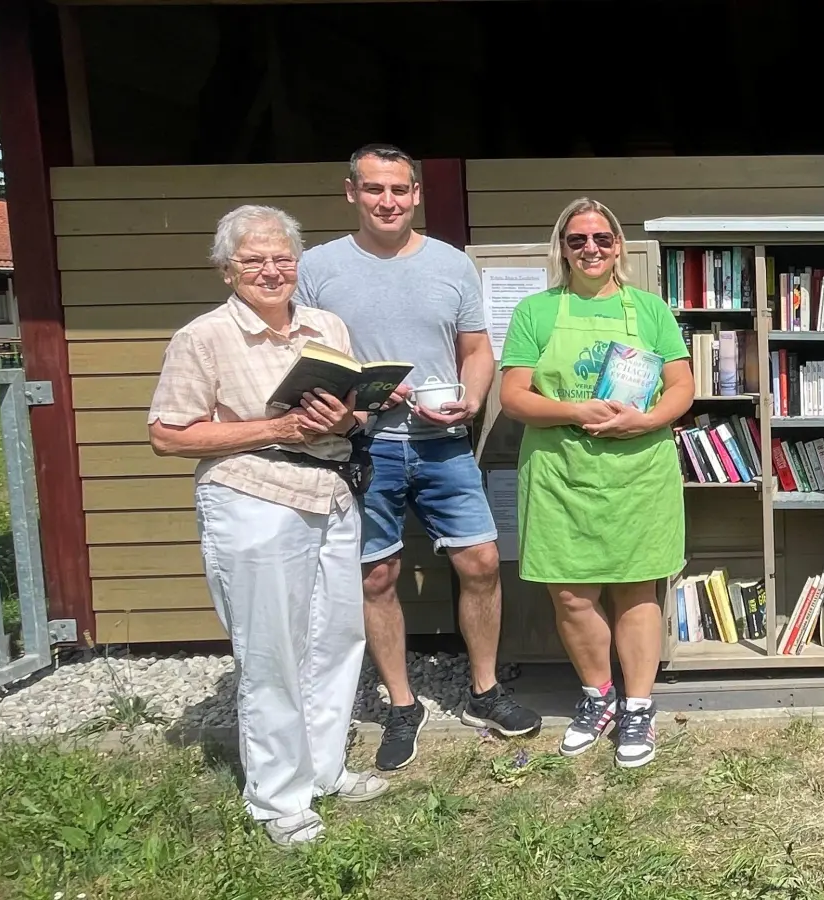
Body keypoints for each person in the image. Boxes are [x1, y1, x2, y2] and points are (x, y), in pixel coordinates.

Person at [147, 205, 389, 847]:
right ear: (227, 270)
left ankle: (325, 769)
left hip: (331, 493)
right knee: (271, 653)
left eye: (283, 258)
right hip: (253, 497)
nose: (271, 270)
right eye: (254, 260)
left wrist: (347, 419)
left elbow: (355, 416)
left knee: (337, 640)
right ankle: (279, 798)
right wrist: (278, 428)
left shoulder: (325, 325)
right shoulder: (202, 337)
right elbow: (168, 436)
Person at [295, 144, 541, 772]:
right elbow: (304, 358)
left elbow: (477, 350)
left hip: (442, 443)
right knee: (376, 576)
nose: (388, 201)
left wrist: (473, 399)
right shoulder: (318, 267)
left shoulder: (451, 263)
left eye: (400, 189)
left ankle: (484, 691)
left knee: (481, 562)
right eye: (375, 189)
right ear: (351, 192)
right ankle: (403, 706)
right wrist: (360, 397)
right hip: (361, 445)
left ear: (416, 194)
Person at [497, 198, 693, 769]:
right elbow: (513, 397)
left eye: (602, 239)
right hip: (560, 473)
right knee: (570, 594)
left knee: (636, 589)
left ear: (618, 246)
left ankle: (639, 706)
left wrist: (646, 421)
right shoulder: (536, 312)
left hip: (638, 473)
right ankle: (598, 696)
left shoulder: (650, 310)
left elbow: (682, 386)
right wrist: (574, 410)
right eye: (578, 239)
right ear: (562, 248)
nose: (591, 249)